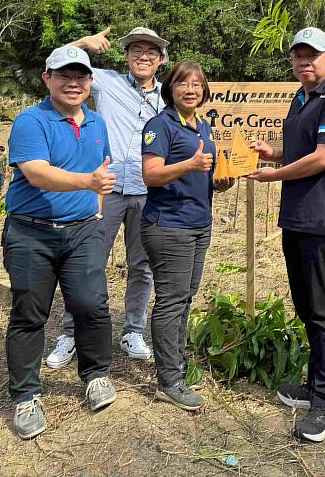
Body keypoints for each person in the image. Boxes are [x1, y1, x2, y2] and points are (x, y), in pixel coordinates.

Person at [2, 45, 117, 440]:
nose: (73, 83)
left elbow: (102, 169)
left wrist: (97, 211)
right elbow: (36, 173)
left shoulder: (97, 123)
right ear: (46, 78)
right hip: (31, 231)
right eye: (64, 75)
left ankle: (96, 374)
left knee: (91, 304)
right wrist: (88, 183)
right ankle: (26, 396)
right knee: (30, 312)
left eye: (81, 76)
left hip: (84, 229)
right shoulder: (30, 121)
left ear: (89, 82)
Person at [247, 27, 325, 442]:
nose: (305, 62)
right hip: (296, 217)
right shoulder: (301, 97)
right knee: (308, 305)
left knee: (323, 308)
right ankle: (314, 386)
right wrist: (269, 151)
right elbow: (301, 149)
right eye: (298, 56)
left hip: (322, 218)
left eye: (313, 55)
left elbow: (324, 157)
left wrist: (274, 174)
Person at [45, 27, 167, 368]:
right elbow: (57, 64)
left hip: (148, 191)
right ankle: (71, 332)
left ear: (160, 60)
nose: (143, 57)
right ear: (126, 55)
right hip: (106, 188)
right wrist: (82, 43)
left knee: (142, 266)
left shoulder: (167, 96)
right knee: (87, 263)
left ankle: (133, 330)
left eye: (151, 52)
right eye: (136, 50)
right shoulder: (105, 81)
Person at [140, 60, 234, 411]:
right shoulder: (160, 125)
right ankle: (169, 381)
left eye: (197, 84)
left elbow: (199, 178)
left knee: (184, 298)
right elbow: (151, 175)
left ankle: (175, 368)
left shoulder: (202, 127)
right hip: (168, 225)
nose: (191, 89)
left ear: (205, 91)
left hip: (198, 223)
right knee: (171, 300)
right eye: (183, 83)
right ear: (170, 89)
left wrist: (219, 183)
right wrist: (190, 165)